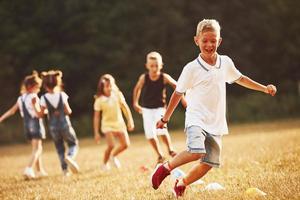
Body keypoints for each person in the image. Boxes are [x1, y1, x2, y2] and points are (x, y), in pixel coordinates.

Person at [151, 19, 277, 197]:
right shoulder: (191, 68)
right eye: (205, 41)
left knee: (209, 163)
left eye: (213, 40)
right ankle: (164, 168)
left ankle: (182, 182)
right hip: (196, 119)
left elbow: (241, 79)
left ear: (219, 41)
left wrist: (264, 88)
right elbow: (178, 94)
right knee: (196, 151)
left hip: (216, 122)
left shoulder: (225, 63)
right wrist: (165, 119)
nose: (209, 45)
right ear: (196, 40)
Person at [133, 51, 186, 164]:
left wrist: (183, 99)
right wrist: (135, 103)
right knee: (150, 134)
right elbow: (137, 89)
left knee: (161, 130)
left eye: (156, 65)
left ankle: (170, 149)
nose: (154, 68)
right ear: (147, 66)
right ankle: (159, 155)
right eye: (151, 66)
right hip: (146, 109)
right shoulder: (144, 78)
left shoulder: (164, 77)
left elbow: (178, 86)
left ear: (161, 65)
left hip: (160, 108)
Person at [0, 71, 48, 179]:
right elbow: (39, 114)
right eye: (37, 87)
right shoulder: (34, 97)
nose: (39, 90)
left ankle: (40, 171)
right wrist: (46, 111)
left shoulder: (20, 98)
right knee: (38, 149)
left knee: (35, 148)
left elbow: (12, 111)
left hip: (27, 126)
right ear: (31, 87)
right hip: (35, 124)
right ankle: (29, 169)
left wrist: (1, 118)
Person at [40, 70, 80, 176]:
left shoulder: (43, 98)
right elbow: (68, 111)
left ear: (45, 85)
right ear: (57, 82)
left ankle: (65, 170)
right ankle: (70, 157)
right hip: (64, 124)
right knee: (73, 143)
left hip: (53, 127)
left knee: (59, 147)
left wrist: (48, 111)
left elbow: (40, 114)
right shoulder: (62, 95)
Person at [93, 74, 134, 170]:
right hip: (107, 125)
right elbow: (96, 117)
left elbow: (125, 108)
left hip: (119, 123)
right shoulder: (99, 100)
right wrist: (96, 132)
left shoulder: (118, 95)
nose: (109, 88)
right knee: (111, 145)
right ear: (102, 87)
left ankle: (113, 156)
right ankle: (104, 164)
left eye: (111, 85)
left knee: (125, 145)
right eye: (106, 86)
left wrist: (130, 120)